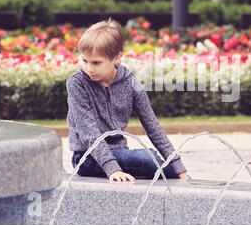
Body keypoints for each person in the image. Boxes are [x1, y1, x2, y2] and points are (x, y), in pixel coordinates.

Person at [66, 19, 188, 182]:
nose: (89, 68)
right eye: (84, 61)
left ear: (116, 58)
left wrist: (178, 166)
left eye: (96, 62)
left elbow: (152, 124)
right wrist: (113, 169)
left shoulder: (130, 82)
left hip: (121, 153)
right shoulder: (77, 83)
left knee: (155, 162)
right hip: (87, 158)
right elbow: (88, 132)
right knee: (146, 158)